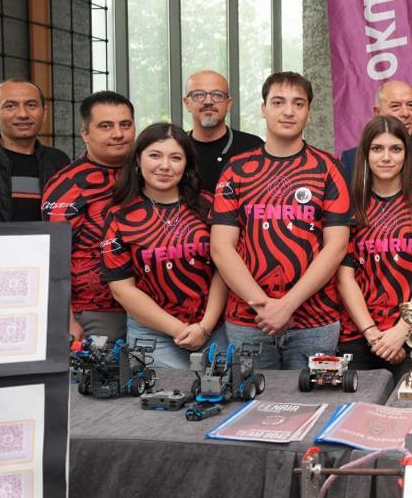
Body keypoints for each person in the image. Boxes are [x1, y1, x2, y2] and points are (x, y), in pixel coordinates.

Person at [210, 72, 353, 370]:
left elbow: (336, 247)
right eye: (278, 102)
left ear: (309, 112)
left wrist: (287, 305)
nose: (288, 111)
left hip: (315, 321)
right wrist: (265, 307)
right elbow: (221, 248)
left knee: (315, 398)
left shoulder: (329, 168)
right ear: (263, 108)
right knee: (249, 398)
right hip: (249, 320)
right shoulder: (237, 169)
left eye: (298, 104)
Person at [102, 123, 228, 369]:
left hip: (213, 329)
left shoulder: (208, 205)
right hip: (152, 335)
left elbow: (224, 267)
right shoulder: (119, 216)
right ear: (138, 160)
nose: (165, 166)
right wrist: (179, 329)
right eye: (155, 155)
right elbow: (122, 290)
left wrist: (205, 326)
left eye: (176, 158)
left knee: (221, 390)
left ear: (187, 165)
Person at [337, 115, 412, 376]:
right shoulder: (348, 204)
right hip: (359, 333)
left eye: (395, 149)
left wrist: (401, 330)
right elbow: (344, 277)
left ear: (407, 155)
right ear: (365, 154)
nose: (386, 157)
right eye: (377, 148)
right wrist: (374, 335)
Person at [42, 91, 135, 342]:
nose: (118, 133)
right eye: (106, 126)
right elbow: (53, 256)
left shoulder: (148, 171)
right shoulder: (69, 184)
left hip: (150, 307)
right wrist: (67, 319)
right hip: (96, 310)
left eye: (125, 124)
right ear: (85, 133)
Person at [0, 78, 70, 222]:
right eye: (10, 106)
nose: (23, 114)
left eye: (31, 105)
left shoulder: (59, 161)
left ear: (44, 112)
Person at [340, 80, 412, 184]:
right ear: (377, 113)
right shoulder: (351, 159)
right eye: (395, 106)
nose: (405, 113)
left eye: (411, 105)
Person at [183, 70, 264, 190]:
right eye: (198, 95)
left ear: (228, 104)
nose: (208, 102)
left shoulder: (253, 147)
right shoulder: (175, 147)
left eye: (217, 95)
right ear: (187, 103)